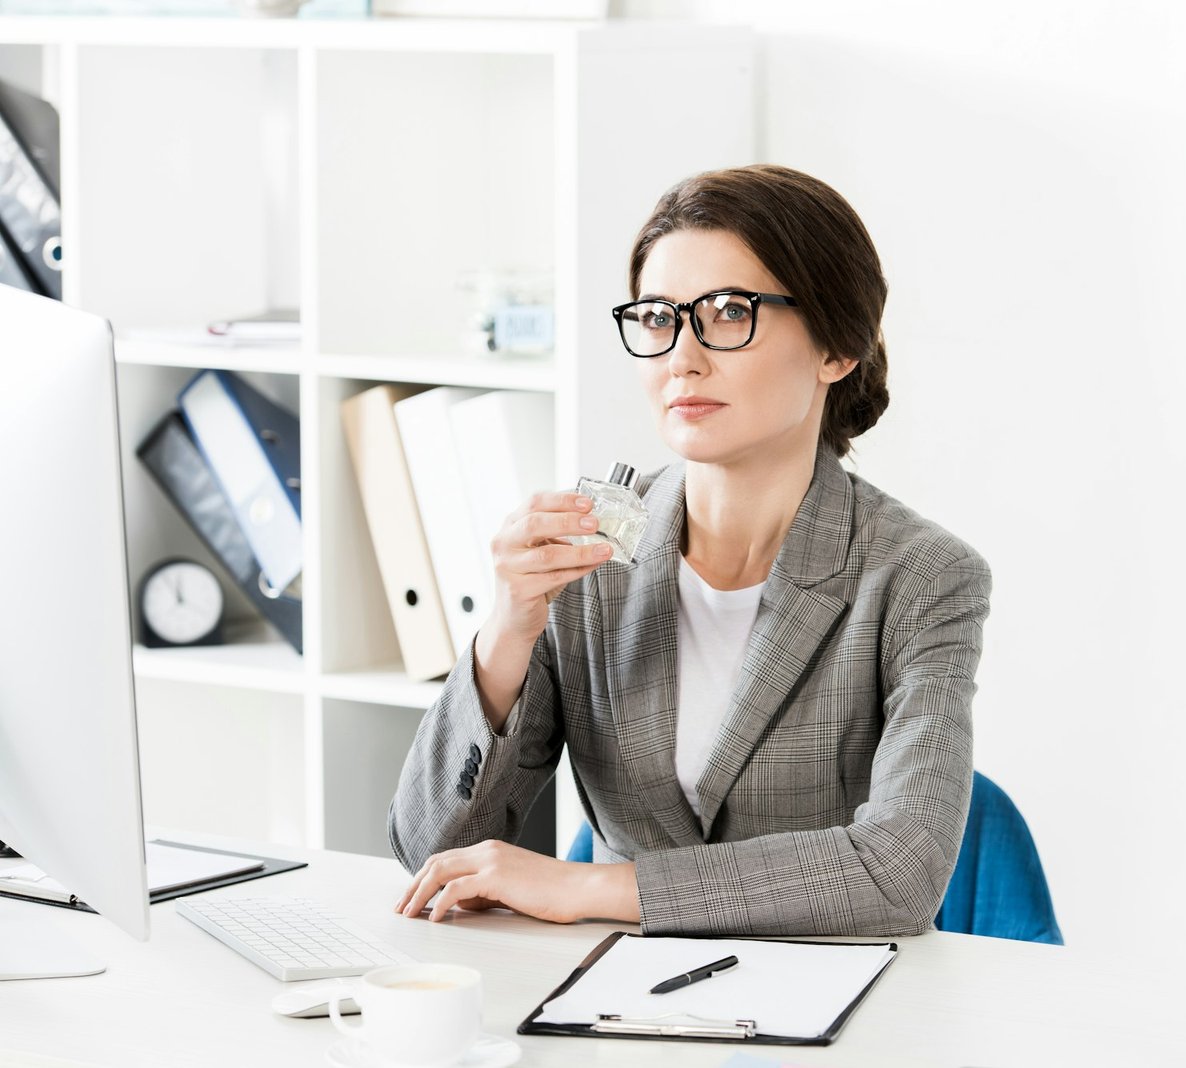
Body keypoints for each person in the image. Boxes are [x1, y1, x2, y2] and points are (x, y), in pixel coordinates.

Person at [389, 164, 991, 937]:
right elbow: (430, 855)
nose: (682, 357)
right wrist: (505, 630)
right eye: (657, 317)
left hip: (837, 1013)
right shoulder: (587, 549)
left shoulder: (923, 577)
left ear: (836, 348)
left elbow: (898, 874)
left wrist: (598, 889)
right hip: (609, 1005)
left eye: (729, 312)